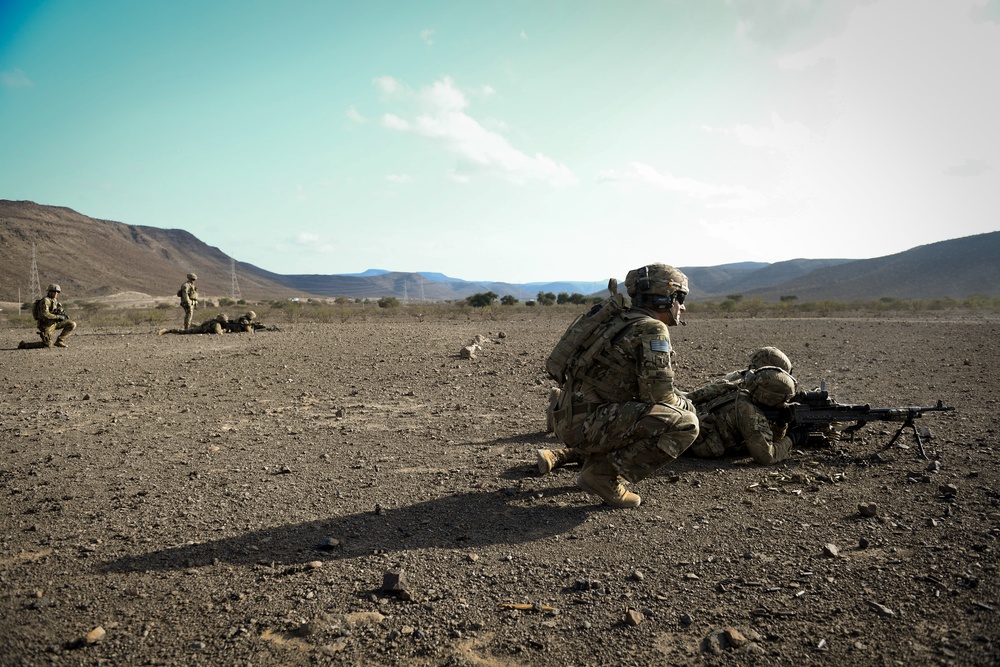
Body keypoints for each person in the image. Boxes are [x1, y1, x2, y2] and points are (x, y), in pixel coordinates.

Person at [546, 263, 699, 508]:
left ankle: (594, 462)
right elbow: (659, 396)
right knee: (684, 423)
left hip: (570, 417)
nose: (682, 306)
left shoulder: (617, 320)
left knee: (658, 412)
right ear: (663, 298)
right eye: (678, 298)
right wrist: (688, 406)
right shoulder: (652, 328)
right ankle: (602, 475)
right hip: (586, 424)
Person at [538, 345, 795, 474]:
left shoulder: (738, 380)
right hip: (694, 435)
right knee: (638, 448)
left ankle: (562, 409)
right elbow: (766, 455)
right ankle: (562, 454)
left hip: (687, 411)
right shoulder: (749, 407)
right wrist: (793, 439)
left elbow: (700, 394)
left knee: (629, 432)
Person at [686, 365, 797, 465]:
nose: (785, 403)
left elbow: (770, 439)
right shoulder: (748, 411)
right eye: (784, 399)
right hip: (691, 444)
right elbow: (767, 456)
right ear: (771, 398)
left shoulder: (742, 392)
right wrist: (794, 438)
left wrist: (781, 424)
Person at [18, 284, 77, 349]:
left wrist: (63, 315)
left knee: (72, 324)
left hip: (54, 323)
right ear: (49, 292)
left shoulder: (54, 300)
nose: (56, 293)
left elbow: (58, 310)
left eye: (57, 292)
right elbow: (45, 314)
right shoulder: (45, 301)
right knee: (47, 345)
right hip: (45, 325)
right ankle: (24, 345)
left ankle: (60, 341)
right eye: (54, 292)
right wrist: (58, 317)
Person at [158, 313, 226, 335]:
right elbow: (218, 332)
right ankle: (168, 331)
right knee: (185, 331)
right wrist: (225, 330)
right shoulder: (217, 324)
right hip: (201, 329)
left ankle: (193, 324)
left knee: (193, 328)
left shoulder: (213, 321)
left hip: (202, 327)